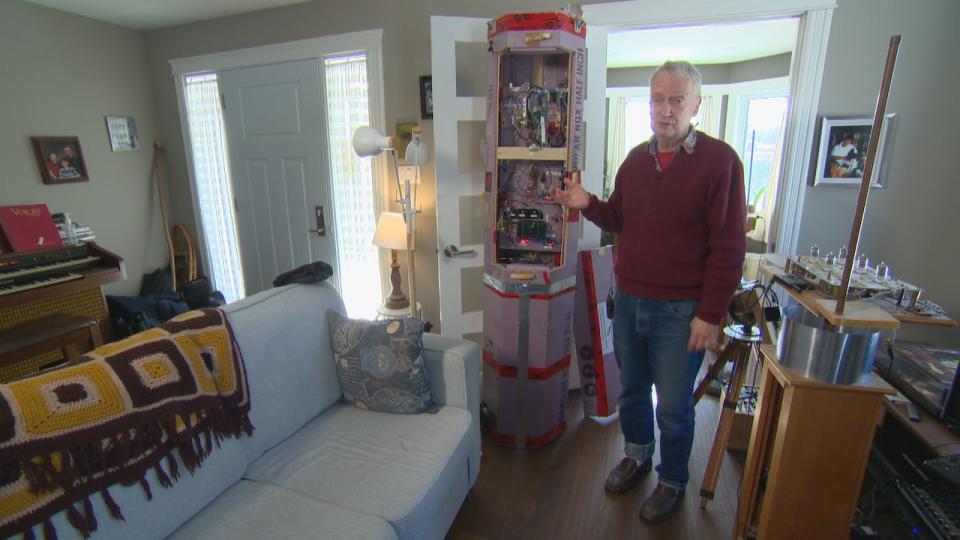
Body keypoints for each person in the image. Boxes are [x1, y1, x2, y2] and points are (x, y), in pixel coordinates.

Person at [554, 60, 746, 524]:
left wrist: (711, 313)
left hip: (682, 313)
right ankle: (637, 456)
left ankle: (672, 480)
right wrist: (589, 205)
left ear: (695, 104)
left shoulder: (721, 162)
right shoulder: (636, 161)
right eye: (657, 99)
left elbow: (729, 246)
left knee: (676, 407)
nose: (665, 109)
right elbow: (620, 221)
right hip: (630, 302)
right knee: (633, 393)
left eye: (676, 99)